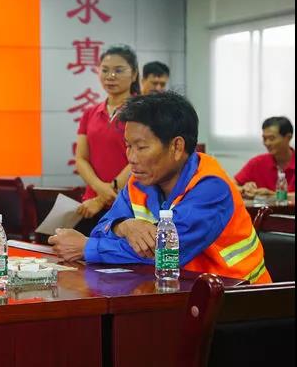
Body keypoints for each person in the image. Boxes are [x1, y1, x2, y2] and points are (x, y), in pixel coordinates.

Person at [49, 92, 271, 284]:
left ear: (177, 147)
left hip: (238, 299)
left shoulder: (210, 186)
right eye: (128, 146)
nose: (131, 158)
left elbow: (165, 255)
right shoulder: (138, 181)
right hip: (177, 291)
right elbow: (102, 229)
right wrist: (125, 225)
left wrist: (87, 248)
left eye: (141, 147)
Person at [73, 45, 138, 235]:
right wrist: (100, 191)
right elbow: (81, 158)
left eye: (119, 70)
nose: (111, 76)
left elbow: (140, 158)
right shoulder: (90, 113)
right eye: (105, 70)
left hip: (129, 204)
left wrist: (102, 199)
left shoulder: (143, 112)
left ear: (134, 74)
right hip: (90, 206)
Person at [235, 116, 295, 199]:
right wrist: (245, 189)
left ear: (288, 137)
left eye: (272, 138)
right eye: (264, 138)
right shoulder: (257, 162)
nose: (267, 143)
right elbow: (230, 185)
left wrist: (272, 195)